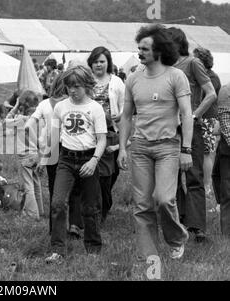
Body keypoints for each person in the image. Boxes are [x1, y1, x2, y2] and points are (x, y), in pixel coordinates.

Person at [117, 24, 193, 260]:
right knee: (142, 205)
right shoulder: (133, 79)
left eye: (145, 49)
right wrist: (122, 147)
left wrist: (186, 150)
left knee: (164, 198)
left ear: (158, 50)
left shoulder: (176, 76)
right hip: (139, 147)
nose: (139, 52)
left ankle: (176, 238)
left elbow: (187, 114)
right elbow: (126, 116)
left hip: (168, 147)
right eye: (138, 47)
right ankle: (150, 254)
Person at [46, 66, 107, 263]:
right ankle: (57, 250)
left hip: (88, 158)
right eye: (70, 86)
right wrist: (44, 157)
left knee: (89, 207)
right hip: (65, 159)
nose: (73, 90)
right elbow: (54, 136)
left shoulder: (95, 108)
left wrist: (94, 160)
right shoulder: (60, 107)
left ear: (87, 85)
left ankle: (93, 248)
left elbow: (102, 139)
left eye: (77, 86)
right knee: (57, 203)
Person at [168, 27, 217, 242]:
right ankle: (180, 220)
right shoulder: (166, 66)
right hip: (169, 127)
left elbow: (211, 94)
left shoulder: (192, 63)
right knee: (172, 176)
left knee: (193, 174)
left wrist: (194, 115)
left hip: (190, 126)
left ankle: (197, 226)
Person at [87, 46, 126, 222]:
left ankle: (104, 202)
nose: (98, 65)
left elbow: (126, 106)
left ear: (108, 62)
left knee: (111, 173)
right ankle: (96, 209)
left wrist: (120, 115)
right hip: (89, 132)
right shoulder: (86, 80)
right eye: (95, 61)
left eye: (102, 61)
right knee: (97, 173)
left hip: (112, 132)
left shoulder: (116, 82)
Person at [26, 74, 67, 232]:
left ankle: (54, 228)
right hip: (67, 146)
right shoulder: (69, 104)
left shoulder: (44, 104)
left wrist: (37, 143)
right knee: (70, 191)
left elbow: (28, 126)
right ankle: (71, 226)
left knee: (53, 189)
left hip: (49, 150)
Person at [6, 90, 43, 220]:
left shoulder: (20, 119)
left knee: (29, 186)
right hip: (35, 154)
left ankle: (32, 214)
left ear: (22, 105)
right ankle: (40, 209)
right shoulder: (38, 119)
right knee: (36, 183)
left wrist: (14, 107)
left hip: (25, 156)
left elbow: (6, 122)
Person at [193, 47, 221, 199]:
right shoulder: (208, 76)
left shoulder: (211, 77)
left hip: (207, 118)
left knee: (207, 153)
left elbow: (207, 98)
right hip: (204, 118)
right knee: (205, 152)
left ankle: (206, 185)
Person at [212, 83, 230, 236]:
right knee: (227, 193)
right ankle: (227, 234)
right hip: (228, 152)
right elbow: (225, 124)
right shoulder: (226, 90)